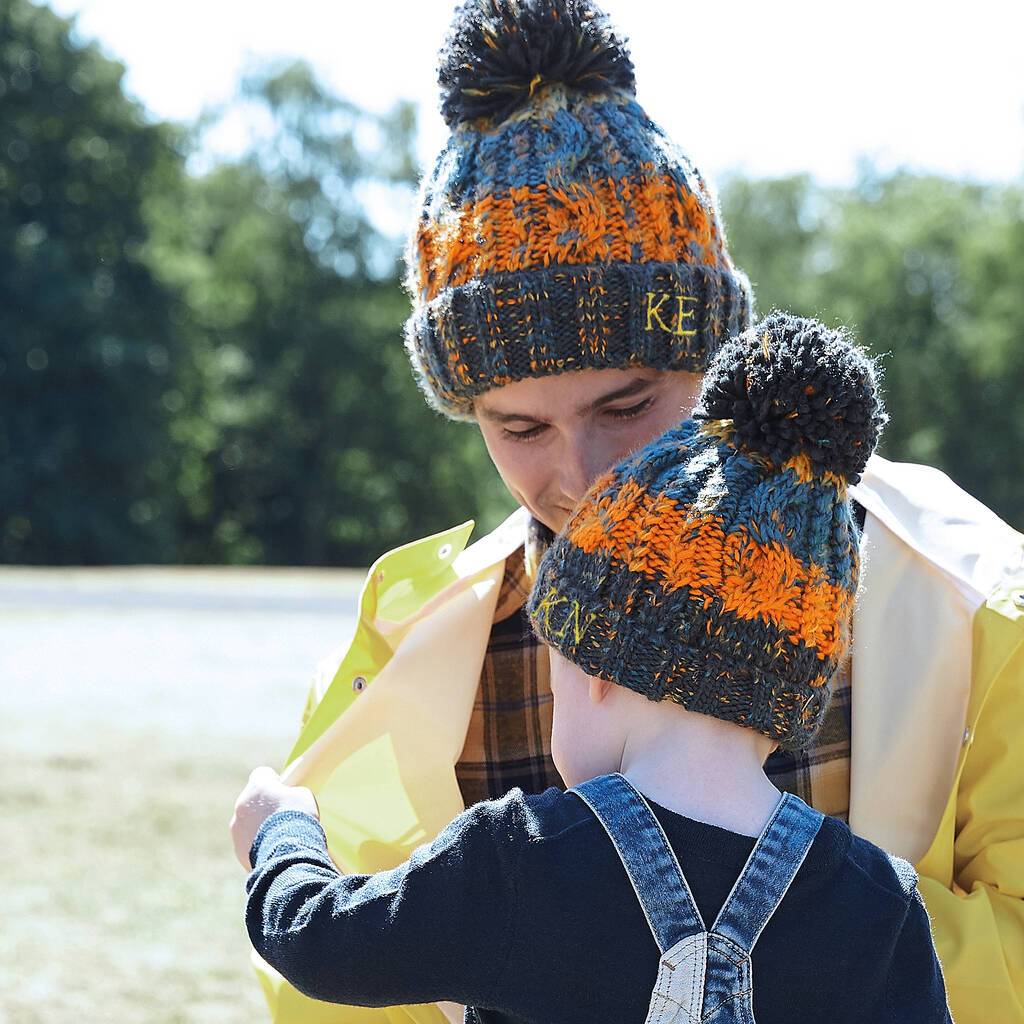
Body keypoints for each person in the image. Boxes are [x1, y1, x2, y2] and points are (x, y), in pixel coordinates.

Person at [257, 2, 1024, 1021]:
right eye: (517, 426)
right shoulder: (414, 643)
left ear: (720, 361)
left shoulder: (972, 595)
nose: (580, 473)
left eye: (626, 405)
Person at [232, 313, 952, 1023]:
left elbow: (321, 942)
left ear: (597, 670)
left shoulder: (517, 858)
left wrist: (280, 835)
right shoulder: (880, 903)